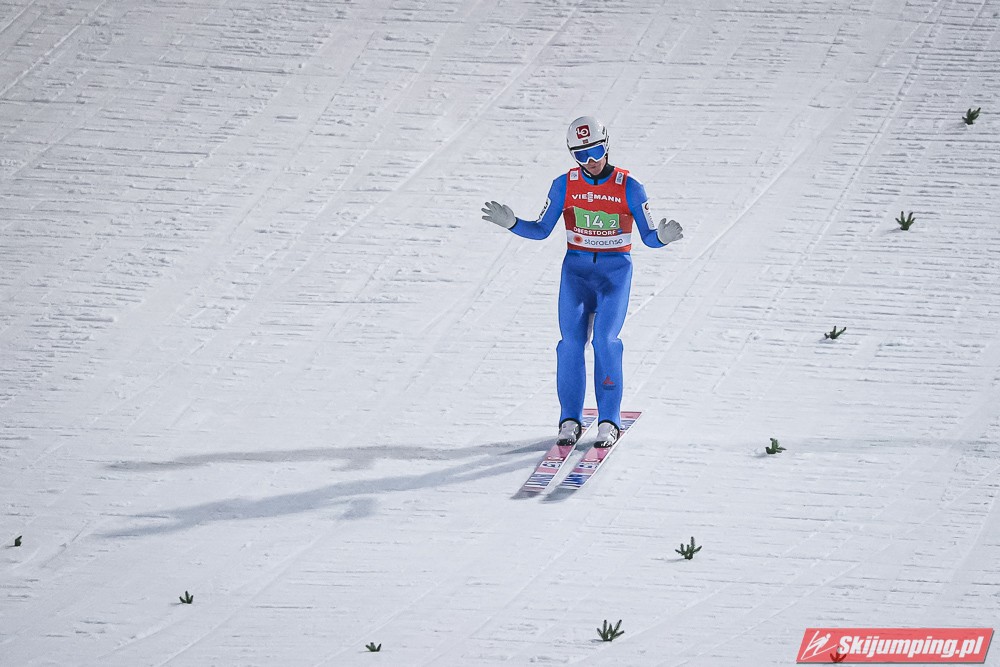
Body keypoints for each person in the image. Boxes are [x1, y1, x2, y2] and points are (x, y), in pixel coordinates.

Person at [482, 116, 683, 448]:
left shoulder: (629, 187)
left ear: (607, 146)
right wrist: (513, 223)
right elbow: (541, 230)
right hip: (576, 274)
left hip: (614, 275)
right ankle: (570, 419)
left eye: (596, 152)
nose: (590, 161)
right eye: (581, 155)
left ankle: (609, 420)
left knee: (605, 341)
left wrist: (662, 237)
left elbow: (648, 237)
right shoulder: (564, 185)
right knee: (570, 344)